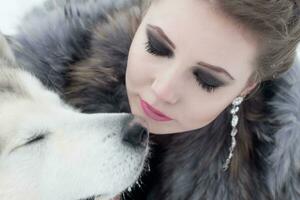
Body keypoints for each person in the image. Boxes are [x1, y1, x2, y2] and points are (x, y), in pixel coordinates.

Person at [10, 0, 300, 199]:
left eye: (206, 80)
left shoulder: (280, 174)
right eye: (157, 46)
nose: (162, 91)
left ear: (246, 87)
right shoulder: (27, 85)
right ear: (144, 12)